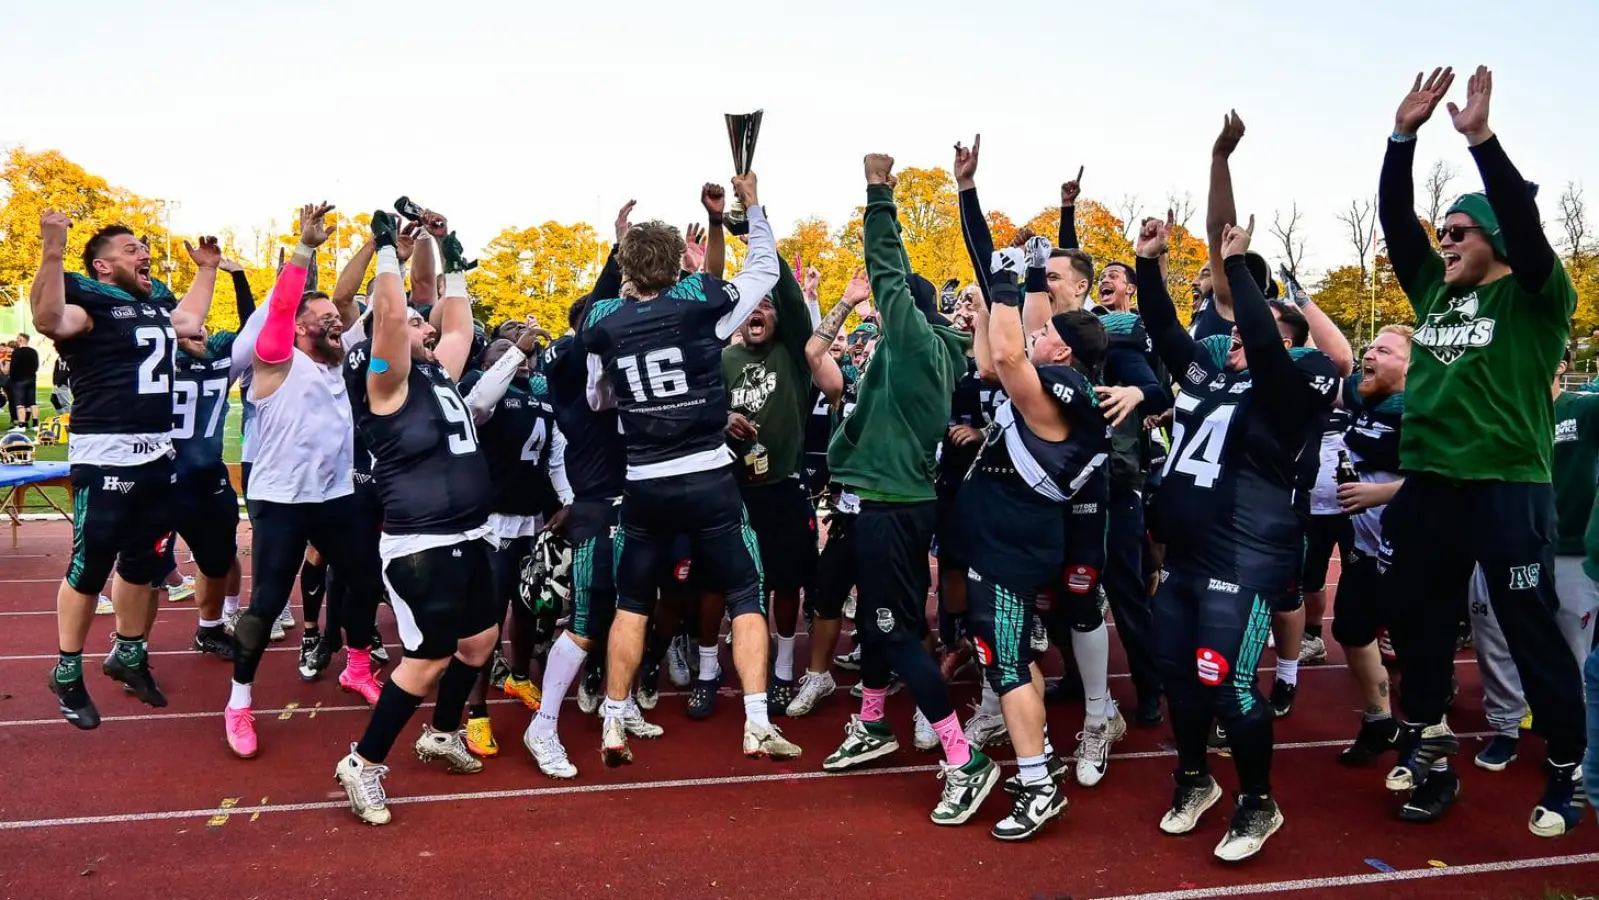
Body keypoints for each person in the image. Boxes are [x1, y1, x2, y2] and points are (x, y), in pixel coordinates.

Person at [1376, 66, 1584, 833]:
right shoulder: (1435, 291)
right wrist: (1402, 139)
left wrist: (1479, 142)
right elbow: (1396, 225)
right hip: (1430, 484)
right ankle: (1429, 751)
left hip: (1505, 485)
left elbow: (1529, 237)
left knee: (1527, 627)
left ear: (1492, 236)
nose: (1443, 242)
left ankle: (1563, 765)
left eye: (1458, 231)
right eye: (1444, 234)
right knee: (1420, 623)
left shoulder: (1532, 296)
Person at [1138, 151, 1340, 861]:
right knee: (1177, 681)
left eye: (1251, 335)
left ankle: (1259, 800)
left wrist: (1247, 274)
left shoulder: (1294, 388)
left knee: (1222, 682)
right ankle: (1194, 779)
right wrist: (1146, 265)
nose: (1226, 343)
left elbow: (1260, 336)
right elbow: (1164, 332)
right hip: (1188, 556)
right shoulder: (1213, 376)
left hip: (1245, 557)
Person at [582, 171, 798, 764]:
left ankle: (614, 718)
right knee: (745, 593)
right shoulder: (699, 304)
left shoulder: (605, 320)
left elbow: (599, 399)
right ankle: (756, 718)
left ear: (628, 267)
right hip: (707, 474)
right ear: (677, 261)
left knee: (632, 602)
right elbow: (764, 271)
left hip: (645, 479)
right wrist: (752, 208)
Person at [818, 153, 1000, 827]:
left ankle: (962, 759)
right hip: (878, 504)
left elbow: (889, 276)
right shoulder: (914, 355)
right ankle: (871, 722)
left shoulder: (917, 345)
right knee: (877, 623)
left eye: (889, 311)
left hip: (895, 510)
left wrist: (877, 192)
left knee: (894, 635)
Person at [335, 212, 497, 825]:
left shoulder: (435, 372)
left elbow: (458, 323)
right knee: (427, 657)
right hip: (422, 544)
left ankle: (442, 733)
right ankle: (365, 762)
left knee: (479, 641)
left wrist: (448, 253)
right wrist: (385, 253)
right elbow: (391, 316)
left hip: (470, 534)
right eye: (410, 320)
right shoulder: (386, 381)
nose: (423, 321)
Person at [30, 211, 221, 728]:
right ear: (103, 266)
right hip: (106, 456)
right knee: (90, 568)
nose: (146, 255)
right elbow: (49, 319)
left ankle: (128, 654)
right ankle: (66, 670)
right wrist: (52, 248)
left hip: (158, 457)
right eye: (133, 248)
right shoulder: (87, 306)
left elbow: (186, 322)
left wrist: (207, 270)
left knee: (145, 564)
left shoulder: (151, 305)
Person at [956, 253, 1112, 839]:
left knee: (1008, 663)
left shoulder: (1063, 389)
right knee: (1012, 659)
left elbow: (1006, 356)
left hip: (1011, 548)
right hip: (1006, 541)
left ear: (1065, 352)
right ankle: (1036, 755)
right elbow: (991, 362)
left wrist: (1003, 284)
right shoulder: (1054, 386)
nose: (1036, 333)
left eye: (1045, 332)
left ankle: (1039, 784)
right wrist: (983, 311)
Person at [223, 203, 382, 759]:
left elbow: (347, 301)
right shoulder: (276, 359)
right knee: (265, 605)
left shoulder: (340, 359)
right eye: (323, 319)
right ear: (295, 328)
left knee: (365, 581)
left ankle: (356, 667)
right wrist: (304, 249)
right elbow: (289, 306)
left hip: (336, 495)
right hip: (281, 500)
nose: (337, 322)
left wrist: (377, 246)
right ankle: (239, 702)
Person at [1467, 347, 1599, 771]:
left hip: (1569, 551)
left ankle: (1567, 736)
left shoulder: (1584, 408)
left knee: (1567, 649)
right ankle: (1505, 727)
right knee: (1494, 638)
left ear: (1560, 363)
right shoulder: (1493, 412)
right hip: (1501, 544)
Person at [1330, 326, 1411, 773]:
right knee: (1352, 632)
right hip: (1365, 547)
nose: (1370, 352)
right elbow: (1336, 353)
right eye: (1370, 345)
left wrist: (1382, 495)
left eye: (1384, 348)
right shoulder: (1366, 399)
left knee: (1420, 651)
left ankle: (1431, 758)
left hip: (1416, 551)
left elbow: (1449, 477)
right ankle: (1379, 721)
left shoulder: (1426, 409)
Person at [7, 334, 40, 430]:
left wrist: (12, 377)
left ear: (21, 339)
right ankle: (35, 424)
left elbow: (12, 367)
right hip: (31, 378)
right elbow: (36, 366)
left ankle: (22, 425)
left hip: (19, 380)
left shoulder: (17, 352)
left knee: (20, 404)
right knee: (32, 403)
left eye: (18, 338)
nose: (17, 340)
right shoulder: (33, 351)